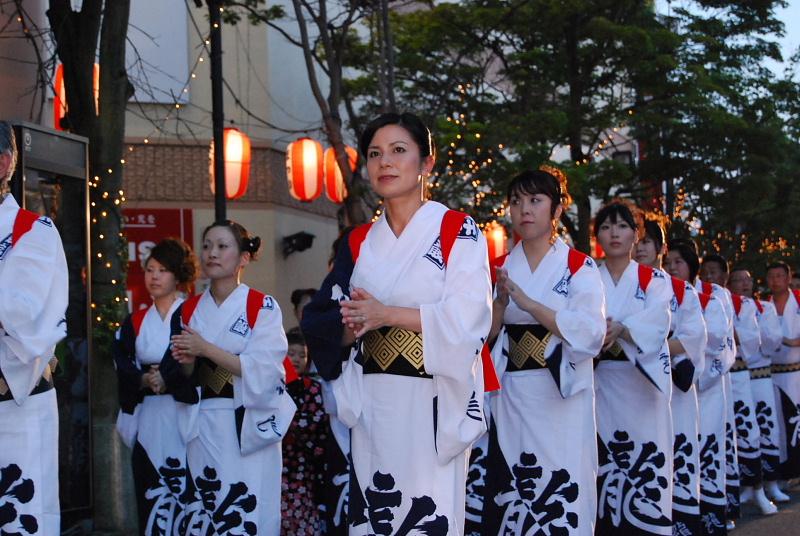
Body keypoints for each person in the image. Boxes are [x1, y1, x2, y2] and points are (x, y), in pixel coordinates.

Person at [301, 112, 493, 534]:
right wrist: (354, 325)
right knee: (377, 512)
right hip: (374, 400)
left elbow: (468, 318)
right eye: (374, 154)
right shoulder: (358, 242)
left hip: (431, 399)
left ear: (427, 163)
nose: (384, 162)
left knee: (426, 513)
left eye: (398, 151)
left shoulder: (457, 230)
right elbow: (320, 320)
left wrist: (385, 314)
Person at [480, 167, 605, 534]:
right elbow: (481, 336)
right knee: (514, 482)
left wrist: (530, 303)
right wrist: (501, 304)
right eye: (516, 202)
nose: (524, 210)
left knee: (561, 478)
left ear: (557, 208)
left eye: (535, 201)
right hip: (512, 392)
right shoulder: (498, 267)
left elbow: (590, 333)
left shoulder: (580, 266)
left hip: (560, 394)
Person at [169, 220, 296, 535]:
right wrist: (185, 362)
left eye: (222, 246)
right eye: (208, 245)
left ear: (243, 258)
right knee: (207, 504)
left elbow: (267, 371)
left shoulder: (260, 306)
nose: (212, 253)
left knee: (248, 503)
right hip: (203, 418)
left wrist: (206, 349)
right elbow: (180, 373)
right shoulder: (187, 310)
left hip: (246, 420)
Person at [0, 120, 68, 534]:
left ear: (5, 162)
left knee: (22, 517)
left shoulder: (32, 230)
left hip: (16, 400)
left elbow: (22, 312)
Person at [593, 199, 673, 535]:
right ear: (597, 234)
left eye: (623, 226)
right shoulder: (586, 275)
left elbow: (659, 321)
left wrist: (623, 329)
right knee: (602, 466)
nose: (614, 233)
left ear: (636, 234)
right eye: (607, 226)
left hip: (640, 384)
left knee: (643, 461)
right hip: (597, 385)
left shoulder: (654, 279)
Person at [113, 238, 198, 534]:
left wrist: (169, 377)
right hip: (149, 412)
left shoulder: (193, 313)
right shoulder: (135, 321)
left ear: (178, 275)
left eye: (163, 270)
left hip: (184, 412)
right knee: (151, 486)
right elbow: (122, 364)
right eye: (150, 270)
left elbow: (200, 362)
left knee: (187, 487)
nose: (154, 277)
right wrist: (142, 379)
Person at [637, 220, 707, 534]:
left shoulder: (681, 289)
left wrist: (649, 341)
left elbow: (694, 337)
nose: (639, 246)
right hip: (626, 386)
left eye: (647, 241)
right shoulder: (607, 282)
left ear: (661, 249)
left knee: (674, 460)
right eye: (636, 239)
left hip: (672, 388)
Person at [664, 240, 729, 534]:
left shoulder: (707, 300)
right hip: (667, 389)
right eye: (668, 263)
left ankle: (710, 514)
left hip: (703, 388)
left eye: (678, 262)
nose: (671, 268)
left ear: (692, 266)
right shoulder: (657, 294)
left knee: (703, 451)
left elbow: (719, 345)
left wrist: (698, 372)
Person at [729, 267, 791, 504]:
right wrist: (746, 335)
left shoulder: (765, 308)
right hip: (738, 373)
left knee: (767, 427)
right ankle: (748, 484)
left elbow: (772, 340)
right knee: (744, 429)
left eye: (747, 280)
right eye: (737, 280)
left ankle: (771, 482)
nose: (743, 285)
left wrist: (747, 332)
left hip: (761, 374)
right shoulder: (727, 307)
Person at [699, 254, 740, 529]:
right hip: (681, 378)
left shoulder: (717, 296)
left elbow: (723, 338)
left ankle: (717, 509)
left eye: (715, 271)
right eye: (707, 271)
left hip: (712, 378)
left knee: (713, 444)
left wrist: (710, 372)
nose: (710, 276)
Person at [281, 329, 329, 535]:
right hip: (278, 463)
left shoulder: (314, 388)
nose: (297, 359)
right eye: (291, 354)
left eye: (302, 355)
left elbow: (317, 422)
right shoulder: (273, 384)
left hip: (304, 466)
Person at [766, 261, 800, 483]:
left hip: (796, 371)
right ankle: (784, 471)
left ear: (788, 278)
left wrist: (789, 341)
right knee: (777, 422)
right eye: (772, 276)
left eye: (780, 276)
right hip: (771, 372)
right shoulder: (763, 304)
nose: (776, 280)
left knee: (796, 421)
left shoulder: (798, 300)